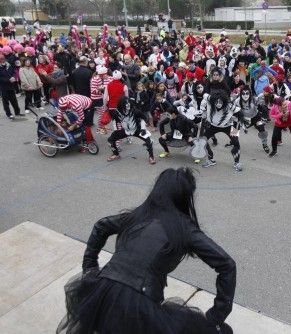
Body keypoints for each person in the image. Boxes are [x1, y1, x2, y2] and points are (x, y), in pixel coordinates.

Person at [56, 168, 235, 334]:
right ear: (185, 197)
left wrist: (90, 267)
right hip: (141, 304)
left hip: (102, 292)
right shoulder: (185, 229)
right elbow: (227, 265)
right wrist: (216, 317)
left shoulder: (137, 216)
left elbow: (101, 226)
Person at [107, 96, 156, 164]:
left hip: (137, 130)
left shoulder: (135, 111)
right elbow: (115, 121)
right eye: (126, 103)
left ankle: (151, 156)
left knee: (149, 141)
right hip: (126, 131)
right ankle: (116, 154)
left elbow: (144, 118)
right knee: (110, 140)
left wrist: (143, 128)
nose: (128, 104)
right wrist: (112, 129)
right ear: (121, 104)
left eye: (129, 102)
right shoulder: (117, 113)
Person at [0, 53, 22, 119]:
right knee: (5, 101)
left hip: (11, 85)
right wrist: (8, 80)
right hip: (3, 87)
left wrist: (14, 77)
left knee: (14, 99)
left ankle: (17, 112)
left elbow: (14, 72)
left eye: (3, 58)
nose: (3, 60)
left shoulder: (9, 65)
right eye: (1, 59)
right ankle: (9, 114)